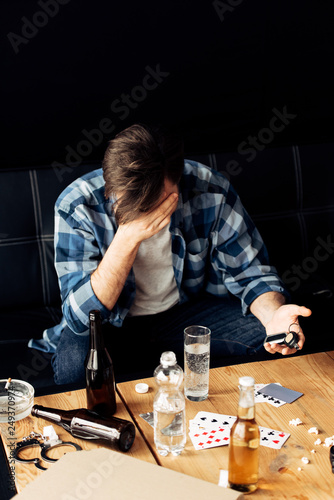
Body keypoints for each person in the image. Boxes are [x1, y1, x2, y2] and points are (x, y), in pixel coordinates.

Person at [29, 123, 311, 384]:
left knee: (271, 336)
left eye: (155, 198)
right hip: (107, 327)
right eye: (132, 199)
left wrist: (274, 314)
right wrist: (127, 238)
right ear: (110, 183)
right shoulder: (77, 204)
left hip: (182, 316)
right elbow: (80, 318)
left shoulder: (210, 190)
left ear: (178, 181)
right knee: (75, 370)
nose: (144, 209)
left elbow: (250, 273)